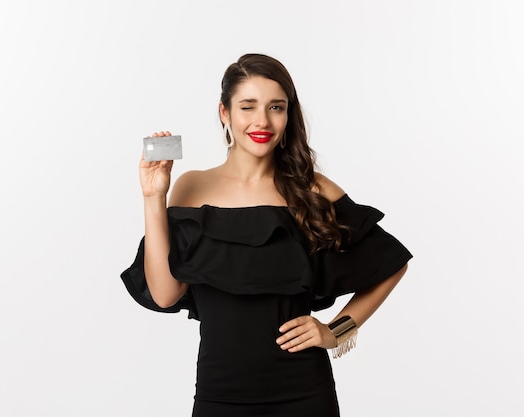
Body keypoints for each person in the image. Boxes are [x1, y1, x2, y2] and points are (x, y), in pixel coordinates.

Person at [121, 53, 412, 417]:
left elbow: (391, 263)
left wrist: (336, 330)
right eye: (248, 106)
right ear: (225, 113)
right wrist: (153, 198)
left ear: (289, 115)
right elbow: (165, 295)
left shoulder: (313, 190)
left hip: (304, 395)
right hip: (219, 395)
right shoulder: (191, 186)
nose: (262, 121)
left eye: (276, 107)